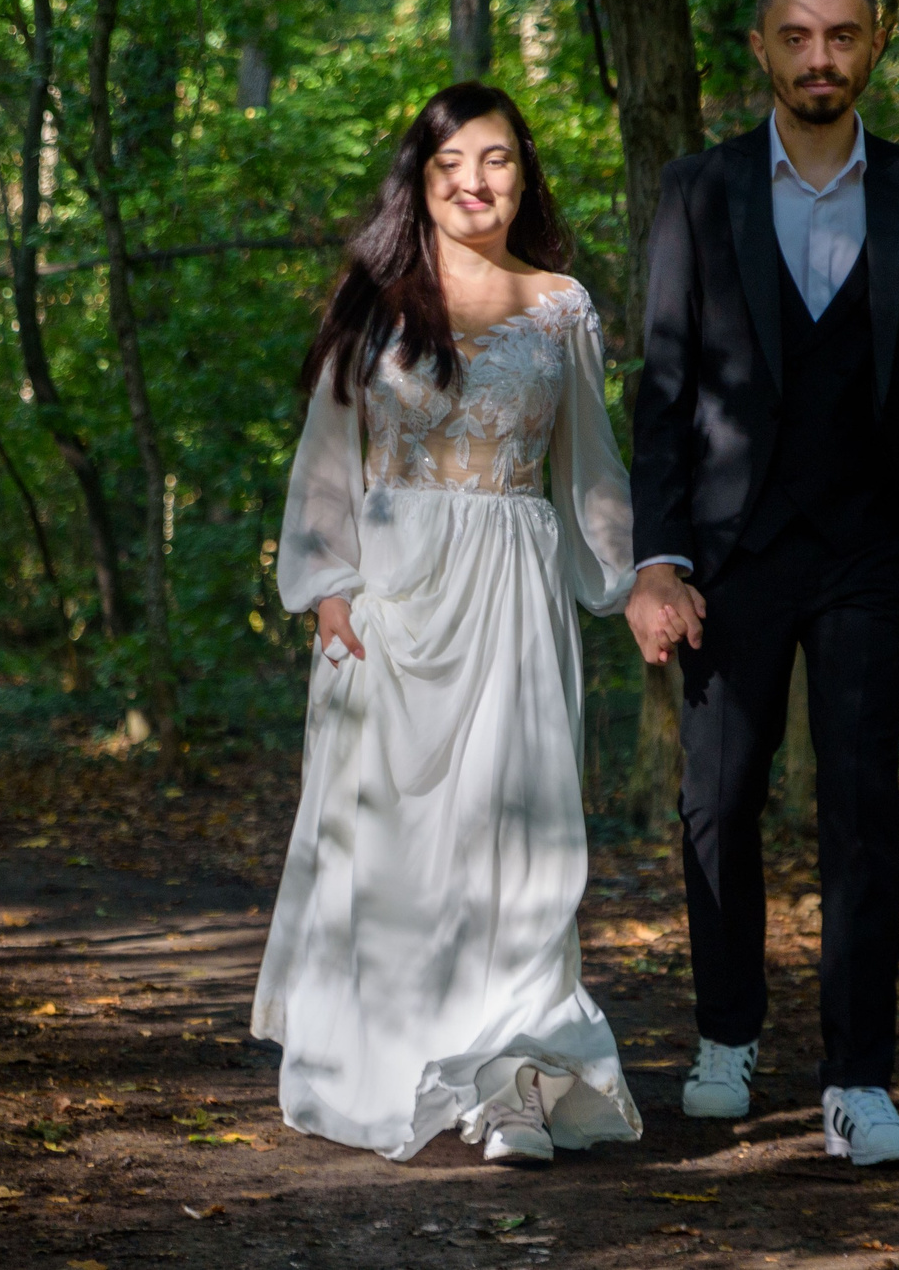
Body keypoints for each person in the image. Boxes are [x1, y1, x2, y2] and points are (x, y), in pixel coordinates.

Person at [625, 0, 899, 1166]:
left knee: (862, 809)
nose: (819, 56)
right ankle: (726, 1033)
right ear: (761, 48)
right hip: (728, 556)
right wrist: (656, 559)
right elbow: (662, 384)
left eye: (842, 35)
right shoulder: (698, 188)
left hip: (873, 555)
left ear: (875, 43)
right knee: (717, 799)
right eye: (796, 35)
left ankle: (856, 1078)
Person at [255, 82, 642, 1167]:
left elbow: (590, 471)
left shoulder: (562, 304)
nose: (476, 182)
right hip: (392, 599)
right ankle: (380, 1057)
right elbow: (326, 457)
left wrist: (633, 580)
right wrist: (326, 589)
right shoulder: (373, 301)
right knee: (397, 842)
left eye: (499, 160)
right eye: (451, 164)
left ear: (525, 174)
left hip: (514, 595)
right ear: (419, 181)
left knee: (518, 836)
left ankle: (512, 1077)